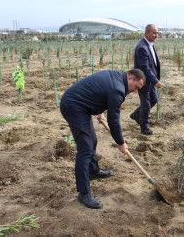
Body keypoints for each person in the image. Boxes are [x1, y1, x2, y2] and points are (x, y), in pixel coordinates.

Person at [60, 69, 145, 209]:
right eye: (136, 87)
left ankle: (93, 170)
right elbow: (114, 121)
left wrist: (99, 110)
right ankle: (83, 193)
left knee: (92, 141)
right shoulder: (117, 90)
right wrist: (120, 142)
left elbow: (97, 90)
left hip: (81, 104)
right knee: (85, 149)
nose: (136, 91)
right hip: (73, 106)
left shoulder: (117, 77)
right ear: (130, 78)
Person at [130, 24, 163, 135]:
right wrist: (155, 80)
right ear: (146, 33)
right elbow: (145, 68)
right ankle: (144, 127)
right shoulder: (142, 48)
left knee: (154, 100)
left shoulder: (150, 44)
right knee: (146, 104)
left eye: (157, 33)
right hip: (142, 81)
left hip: (150, 81)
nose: (156, 35)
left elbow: (153, 64)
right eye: (154, 33)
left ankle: (135, 115)